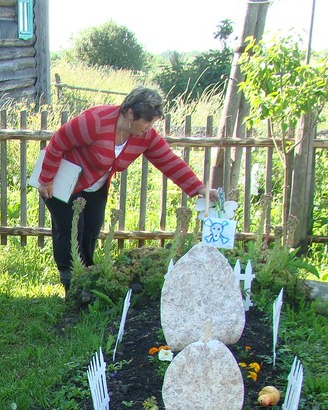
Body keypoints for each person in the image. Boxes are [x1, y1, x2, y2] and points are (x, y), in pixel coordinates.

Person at [37, 86, 216, 291]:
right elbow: (58, 142)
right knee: (69, 231)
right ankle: (70, 283)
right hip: (61, 181)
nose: (149, 127)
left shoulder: (144, 136)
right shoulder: (96, 121)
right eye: (147, 121)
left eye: (152, 122)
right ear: (130, 113)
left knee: (91, 229)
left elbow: (169, 161)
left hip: (95, 185)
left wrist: (200, 189)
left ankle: (85, 279)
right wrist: (46, 179)